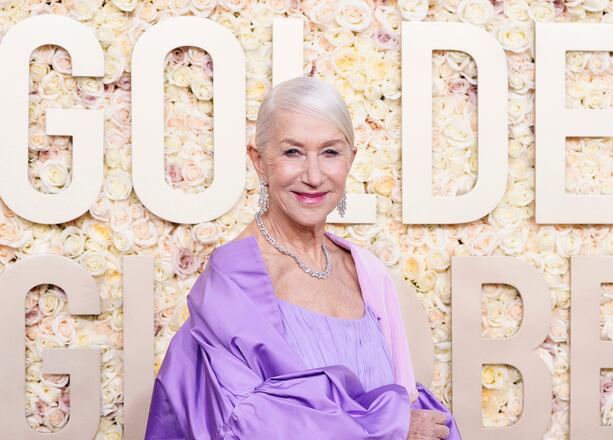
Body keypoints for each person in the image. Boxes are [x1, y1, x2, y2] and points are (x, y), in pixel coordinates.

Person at [144, 76, 461, 439]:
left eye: (330, 152)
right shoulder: (232, 282)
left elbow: (408, 406)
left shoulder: (366, 272)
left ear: (351, 159)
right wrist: (388, 427)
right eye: (292, 152)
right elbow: (245, 421)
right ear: (258, 160)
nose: (313, 175)